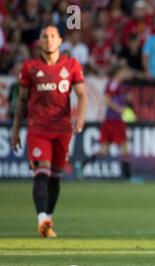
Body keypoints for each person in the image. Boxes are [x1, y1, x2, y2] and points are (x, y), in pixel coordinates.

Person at [9, 24, 87, 238]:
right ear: (40, 41)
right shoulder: (30, 67)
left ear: (60, 40)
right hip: (38, 129)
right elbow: (22, 100)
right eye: (45, 36)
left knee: (55, 178)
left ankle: (48, 219)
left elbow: (82, 94)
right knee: (41, 174)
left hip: (62, 130)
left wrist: (79, 117)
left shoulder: (71, 65)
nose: (49, 40)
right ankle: (42, 218)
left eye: (53, 36)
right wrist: (15, 130)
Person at [75, 66, 135, 180]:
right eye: (125, 72)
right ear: (119, 72)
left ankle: (81, 164)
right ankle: (128, 177)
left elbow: (114, 98)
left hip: (109, 121)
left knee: (104, 150)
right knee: (124, 148)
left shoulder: (119, 85)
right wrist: (119, 109)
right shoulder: (114, 83)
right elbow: (107, 99)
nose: (127, 74)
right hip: (114, 121)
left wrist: (126, 100)